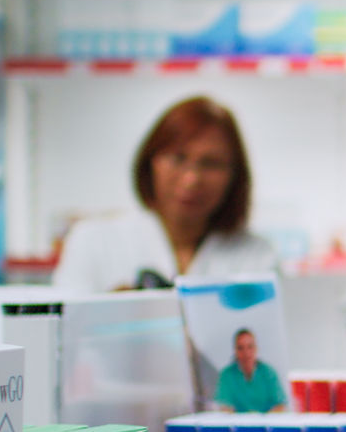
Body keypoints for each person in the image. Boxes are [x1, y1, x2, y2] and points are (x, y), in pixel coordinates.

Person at [52, 95, 277, 292]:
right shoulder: (93, 241)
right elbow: (63, 331)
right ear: (150, 162)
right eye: (178, 158)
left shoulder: (257, 256)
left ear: (234, 176)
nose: (192, 179)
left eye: (211, 164)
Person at [214, 327, 285, 412]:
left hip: (266, 424)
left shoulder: (269, 373)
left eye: (250, 347)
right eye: (241, 348)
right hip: (237, 424)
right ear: (235, 351)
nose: (246, 353)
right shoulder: (227, 375)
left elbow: (281, 405)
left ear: (256, 348)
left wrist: (262, 422)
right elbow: (224, 406)